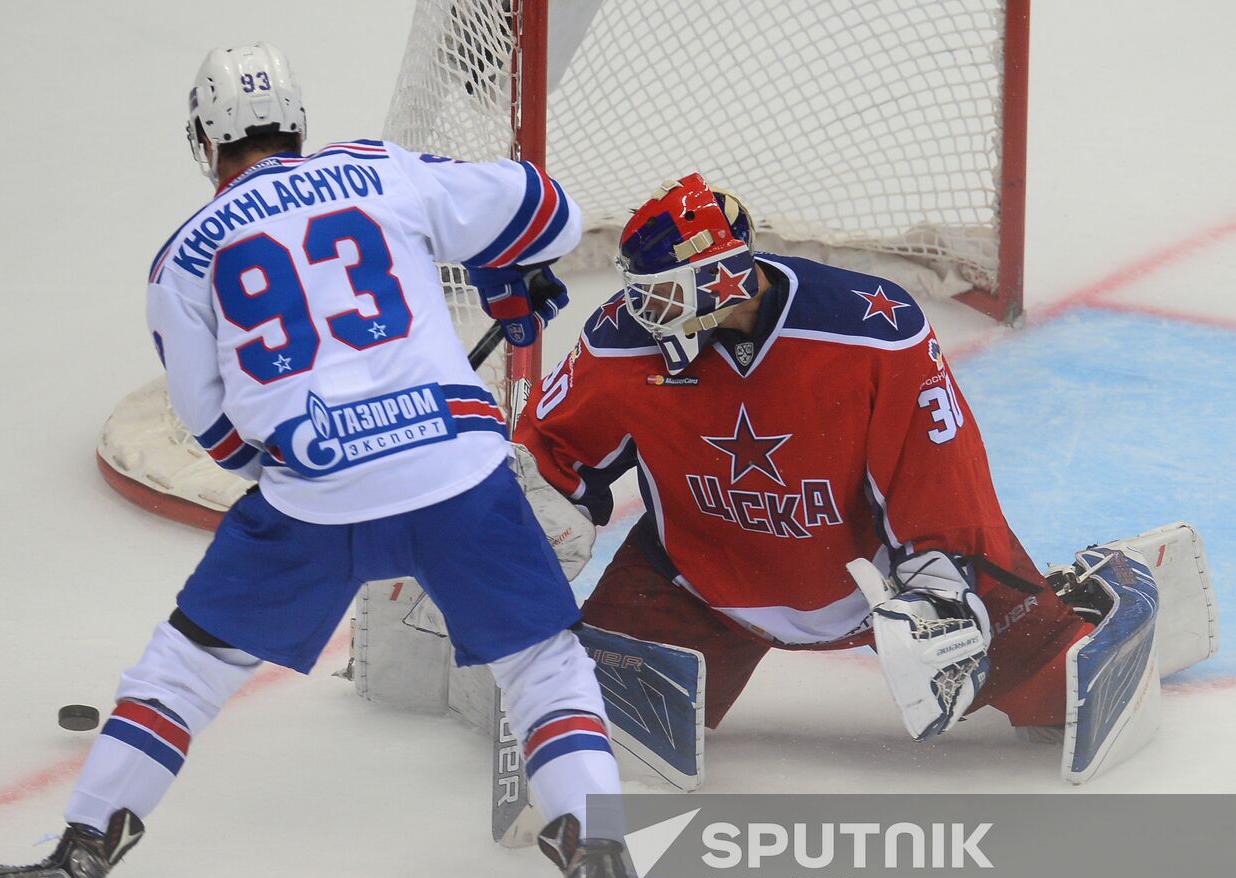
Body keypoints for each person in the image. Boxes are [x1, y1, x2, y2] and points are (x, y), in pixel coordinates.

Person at [0, 44, 715, 878]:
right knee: (544, 668)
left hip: (312, 497)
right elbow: (549, 212)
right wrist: (501, 267)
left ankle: (71, 871)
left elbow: (217, 431)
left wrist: (324, 457)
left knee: (183, 673)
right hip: (456, 476)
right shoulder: (377, 169)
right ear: (296, 124)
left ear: (205, 140)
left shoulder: (181, 261)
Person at [514, 173, 1215, 779]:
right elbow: (550, 444)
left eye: (664, 294)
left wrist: (940, 587)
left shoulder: (870, 330)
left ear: (724, 276)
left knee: (1072, 697)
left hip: (876, 585)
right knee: (583, 717)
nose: (644, 312)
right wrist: (518, 510)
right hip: (699, 581)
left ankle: (1105, 598)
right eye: (641, 293)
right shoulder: (622, 342)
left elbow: (939, 468)